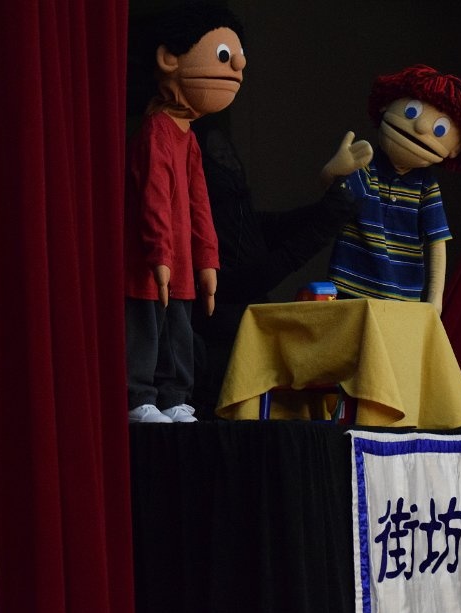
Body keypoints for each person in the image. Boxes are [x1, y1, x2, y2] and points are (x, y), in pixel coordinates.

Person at [191, 119, 372, 418]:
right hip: (217, 364)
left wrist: (333, 200)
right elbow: (241, 282)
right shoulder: (201, 222)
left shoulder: (239, 214)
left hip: (248, 351)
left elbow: (282, 226)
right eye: (219, 157)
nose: (230, 163)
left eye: (230, 154)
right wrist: (325, 222)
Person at [124, 5, 246, 423]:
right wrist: (160, 254)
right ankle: (139, 395)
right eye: (225, 57)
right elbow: (153, 198)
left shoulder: (188, 138)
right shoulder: (155, 132)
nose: (237, 67)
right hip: (150, 258)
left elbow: (199, 204)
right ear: (168, 60)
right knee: (146, 325)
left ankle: (175, 395)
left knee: (178, 327)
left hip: (181, 260)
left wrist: (207, 260)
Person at [327, 64, 461, 314]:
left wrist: (435, 298)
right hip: (349, 286)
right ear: (386, 104)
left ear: (454, 149)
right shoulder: (366, 165)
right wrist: (333, 171)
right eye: (411, 112)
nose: (421, 128)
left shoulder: (425, 186)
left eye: (439, 129)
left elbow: (437, 240)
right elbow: (332, 203)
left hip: (402, 298)